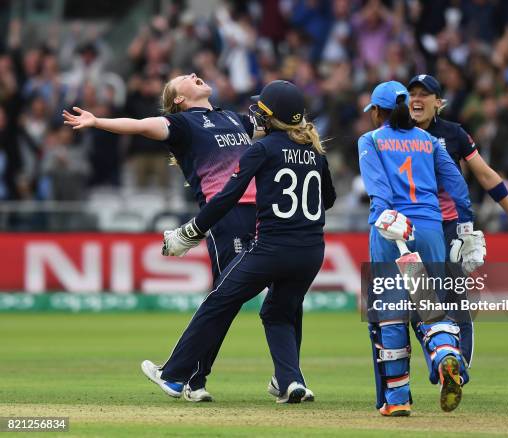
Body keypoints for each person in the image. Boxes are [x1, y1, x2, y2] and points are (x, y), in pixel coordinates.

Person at [140, 80, 336, 403]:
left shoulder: (261, 148)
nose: (254, 113)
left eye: (261, 109)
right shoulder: (315, 152)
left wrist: (189, 232)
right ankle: (291, 382)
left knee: (220, 299)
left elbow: (227, 196)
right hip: (312, 251)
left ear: (271, 117)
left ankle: (174, 376)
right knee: (279, 312)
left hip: (270, 248)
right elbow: (327, 200)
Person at [62, 72, 259, 389]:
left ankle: (193, 379)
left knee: (230, 302)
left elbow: (273, 131)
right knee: (224, 301)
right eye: (185, 78)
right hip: (226, 217)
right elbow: (140, 125)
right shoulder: (182, 125)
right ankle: (186, 379)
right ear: (179, 100)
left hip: (262, 214)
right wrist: (98, 121)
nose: (194, 74)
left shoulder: (234, 118)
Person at [359, 81, 485, 416]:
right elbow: (457, 185)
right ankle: (446, 354)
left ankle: (398, 399)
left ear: (377, 111)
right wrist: (466, 228)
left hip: (390, 230)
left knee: (390, 312)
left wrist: (387, 217)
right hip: (429, 230)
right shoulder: (429, 140)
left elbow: (378, 188)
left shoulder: (370, 140)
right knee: (429, 306)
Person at [406, 74, 508, 367]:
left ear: (439, 103)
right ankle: (442, 359)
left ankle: (458, 366)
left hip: (448, 225)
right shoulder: (397, 134)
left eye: (424, 94)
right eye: (412, 94)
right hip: (413, 227)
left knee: (454, 297)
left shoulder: (453, 134)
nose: (417, 99)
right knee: (418, 306)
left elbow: (485, 174)